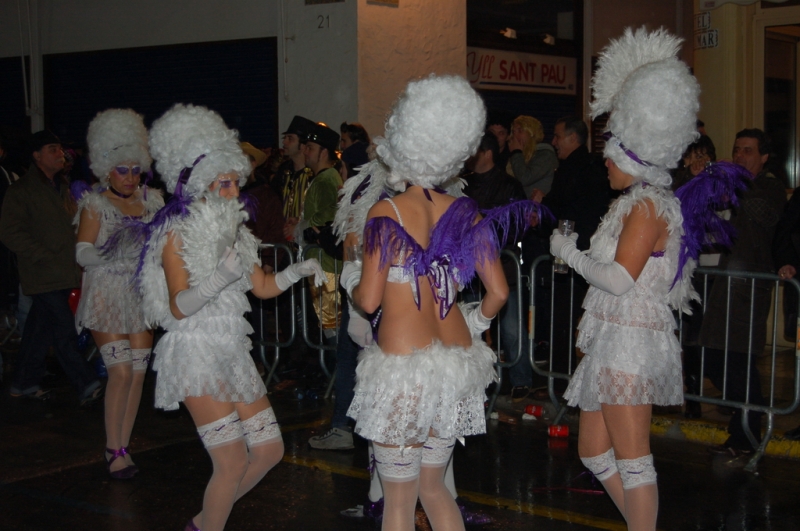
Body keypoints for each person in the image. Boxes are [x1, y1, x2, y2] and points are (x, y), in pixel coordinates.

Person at [341, 74, 536, 531]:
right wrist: (474, 318)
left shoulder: (384, 212)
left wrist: (352, 277)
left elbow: (368, 302)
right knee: (434, 489)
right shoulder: (465, 211)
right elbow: (500, 293)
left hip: (402, 369)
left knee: (399, 500)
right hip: (455, 366)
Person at [131, 104, 324, 531]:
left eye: (237, 181)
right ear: (200, 184)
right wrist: (218, 278)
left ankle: (203, 522)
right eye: (224, 183)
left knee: (270, 451)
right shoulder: (176, 233)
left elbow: (262, 287)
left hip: (231, 348)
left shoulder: (237, 230)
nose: (234, 191)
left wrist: (296, 271)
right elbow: (178, 305)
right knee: (232, 460)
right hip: (195, 350)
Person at [550, 28, 705, 530]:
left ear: (632, 154)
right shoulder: (634, 202)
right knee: (594, 451)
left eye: (611, 152)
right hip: (613, 341)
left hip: (631, 344)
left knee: (634, 460)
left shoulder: (645, 205)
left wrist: (567, 254)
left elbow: (619, 280)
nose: (604, 161)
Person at [73, 109, 164, 478]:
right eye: (122, 169)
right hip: (107, 294)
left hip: (142, 295)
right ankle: (113, 448)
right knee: (121, 372)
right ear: (106, 168)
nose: (129, 177)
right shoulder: (96, 204)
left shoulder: (153, 201)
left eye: (135, 169)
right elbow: (81, 252)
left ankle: (123, 446)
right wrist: (113, 251)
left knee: (139, 374)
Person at [700, 129, 786, 456]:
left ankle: (746, 434)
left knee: (738, 359)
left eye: (748, 151)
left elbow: (763, 215)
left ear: (763, 157)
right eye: (736, 150)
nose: (740, 156)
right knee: (713, 357)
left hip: (747, 286)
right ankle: (746, 417)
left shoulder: (770, 185)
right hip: (721, 281)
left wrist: (735, 187)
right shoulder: (732, 186)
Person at [0, 130, 103, 406]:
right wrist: (43, 254)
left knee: (38, 330)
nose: (60, 154)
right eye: (52, 149)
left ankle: (23, 383)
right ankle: (87, 383)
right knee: (64, 330)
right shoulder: (20, 191)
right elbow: (9, 232)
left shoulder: (65, 187)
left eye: (60, 149)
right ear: (36, 156)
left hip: (64, 272)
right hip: (42, 273)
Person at [462, 131, 530, 401]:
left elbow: (516, 226)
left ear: (487, 153)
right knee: (469, 330)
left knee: (512, 329)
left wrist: (482, 239)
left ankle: (522, 380)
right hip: (469, 273)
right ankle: (475, 383)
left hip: (502, 269)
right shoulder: (462, 185)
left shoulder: (510, 185)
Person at [294, 122, 344, 340]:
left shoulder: (326, 179)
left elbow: (332, 212)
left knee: (330, 323)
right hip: (322, 264)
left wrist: (304, 226)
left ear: (324, 152)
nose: (305, 152)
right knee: (327, 322)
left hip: (326, 266)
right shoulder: (325, 178)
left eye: (311, 148)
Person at [507, 115, 557, 198]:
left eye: (520, 130)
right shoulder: (521, 156)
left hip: (536, 209)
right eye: (513, 132)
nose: (514, 136)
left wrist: (516, 152)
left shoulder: (546, 155)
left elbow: (524, 178)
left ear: (532, 133)